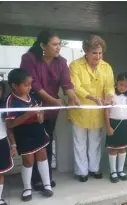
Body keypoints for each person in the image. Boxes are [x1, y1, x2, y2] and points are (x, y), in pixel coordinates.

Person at [20, 30, 79, 190]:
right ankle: (34, 180)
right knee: (34, 144)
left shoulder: (61, 61)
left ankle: (46, 179)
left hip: (51, 110)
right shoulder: (29, 59)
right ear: (42, 45)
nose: (58, 47)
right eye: (54, 44)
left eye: (59, 44)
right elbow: (34, 85)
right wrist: (53, 100)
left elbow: (67, 83)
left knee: (47, 141)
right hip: (32, 109)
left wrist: (73, 97)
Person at [68, 35, 115, 182]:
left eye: (100, 53)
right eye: (94, 53)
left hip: (97, 112)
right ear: (86, 51)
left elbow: (109, 87)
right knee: (80, 143)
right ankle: (82, 172)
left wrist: (109, 97)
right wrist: (93, 98)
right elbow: (76, 87)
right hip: (80, 111)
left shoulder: (106, 67)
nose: (98, 56)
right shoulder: (75, 65)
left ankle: (94, 169)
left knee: (95, 142)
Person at [5, 69, 53, 201]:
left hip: (38, 130)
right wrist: (27, 114)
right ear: (15, 86)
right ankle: (27, 187)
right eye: (26, 85)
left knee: (42, 156)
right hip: (23, 134)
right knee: (28, 161)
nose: (30, 87)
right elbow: (10, 125)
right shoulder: (10, 100)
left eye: (30, 84)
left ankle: (47, 185)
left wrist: (39, 116)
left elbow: (41, 115)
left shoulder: (33, 95)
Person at [105, 72, 127, 183]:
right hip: (113, 124)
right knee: (114, 148)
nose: (123, 88)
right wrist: (108, 127)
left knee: (123, 147)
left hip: (125, 123)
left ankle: (120, 170)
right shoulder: (111, 95)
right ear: (116, 83)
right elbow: (106, 112)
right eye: (121, 85)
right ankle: (113, 171)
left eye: (126, 86)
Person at [0, 79, 16, 205]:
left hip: (1, 141)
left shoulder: (4, 108)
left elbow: (9, 127)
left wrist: (13, 145)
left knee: (0, 172)